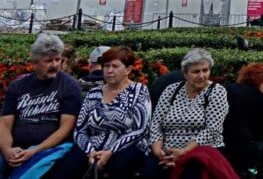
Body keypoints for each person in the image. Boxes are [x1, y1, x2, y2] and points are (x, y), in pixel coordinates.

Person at [58, 46, 150, 179]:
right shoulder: (94, 93)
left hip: (127, 147)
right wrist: (90, 151)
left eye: (115, 66)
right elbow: (80, 130)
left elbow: (140, 129)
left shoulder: (139, 91)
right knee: (68, 165)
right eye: (106, 66)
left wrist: (110, 151)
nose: (109, 71)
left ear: (128, 70)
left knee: (120, 164)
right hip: (93, 147)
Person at [0, 32, 83, 178]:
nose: (55, 65)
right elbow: (5, 123)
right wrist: (7, 149)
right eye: (49, 61)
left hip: (50, 149)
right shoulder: (18, 85)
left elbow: (66, 128)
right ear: (35, 61)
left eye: (58, 59)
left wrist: (35, 150)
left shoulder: (70, 86)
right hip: (15, 147)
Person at [144, 49, 235, 179]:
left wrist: (182, 152)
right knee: (149, 169)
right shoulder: (171, 90)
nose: (202, 75)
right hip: (167, 151)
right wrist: (160, 153)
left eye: (205, 70)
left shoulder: (216, 92)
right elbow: (156, 124)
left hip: (201, 151)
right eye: (196, 71)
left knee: (190, 171)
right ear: (185, 73)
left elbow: (212, 130)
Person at [223, 63, 263, 179]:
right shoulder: (261, 98)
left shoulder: (228, 88)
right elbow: (259, 134)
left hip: (218, 147)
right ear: (260, 80)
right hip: (240, 152)